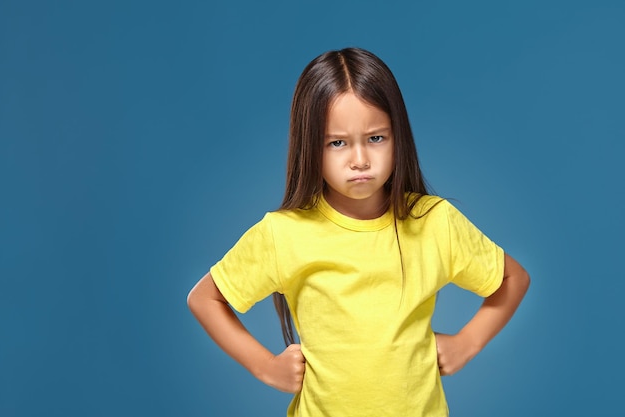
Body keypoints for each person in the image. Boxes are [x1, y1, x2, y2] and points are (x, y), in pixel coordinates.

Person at [187, 47, 530, 417]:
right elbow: (205, 299)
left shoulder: (434, 222)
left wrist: (467, 342)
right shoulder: (283, 233)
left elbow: (514, 278)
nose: (360, 160)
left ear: (398, 136)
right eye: (337, 143)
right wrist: (265, 367)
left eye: (376, 138)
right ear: (309, 147)